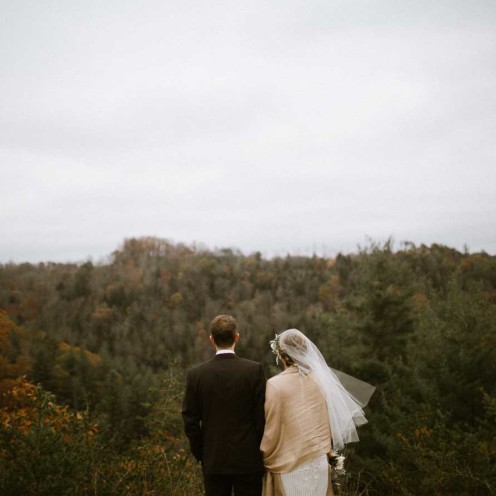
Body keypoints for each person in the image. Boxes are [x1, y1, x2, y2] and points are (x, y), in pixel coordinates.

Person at [260, 329, 375, 496]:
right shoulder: (321, 381)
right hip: (319, 461)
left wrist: (263, 455)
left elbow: (271, 428)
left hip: (289, 463)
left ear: (281, 355)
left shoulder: (274, 385)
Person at [182, 314, 266, 496]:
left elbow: (190, 420)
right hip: (248, 459)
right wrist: (258, 451)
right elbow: (262, 418)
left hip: (214, 458)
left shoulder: (196, 375)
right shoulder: (254, 371)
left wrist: (202, 453)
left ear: (212, 340)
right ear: (237, 337)